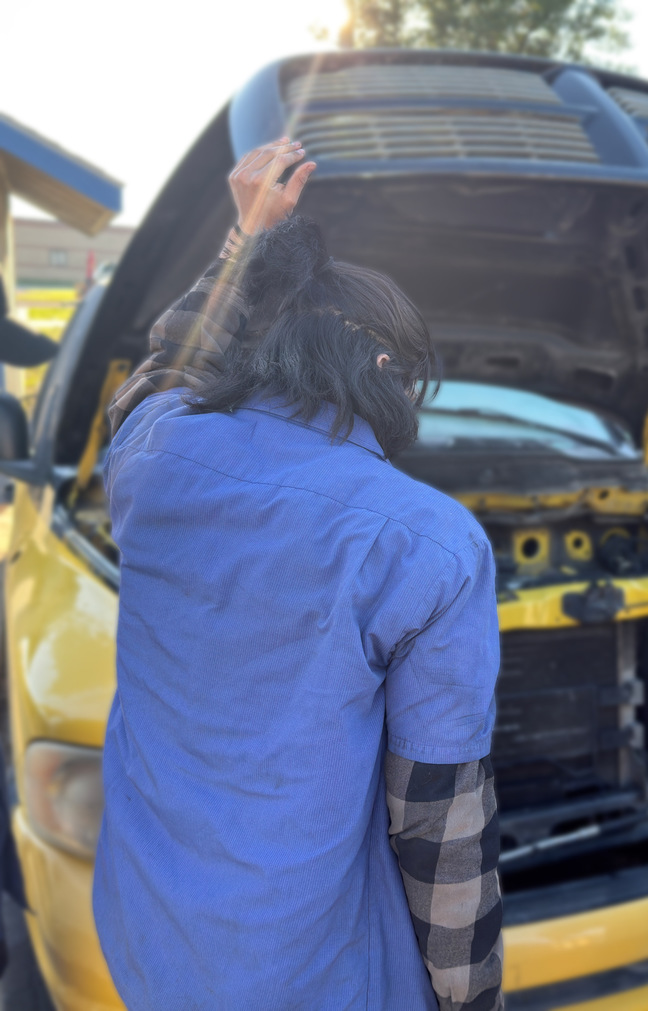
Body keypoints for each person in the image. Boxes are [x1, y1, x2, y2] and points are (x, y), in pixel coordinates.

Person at [92, 139, 504, 1011]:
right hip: (312, 975)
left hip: (149, 935)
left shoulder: (151, 456)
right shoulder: (428, 542)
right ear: (385, 373)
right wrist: (475, 1002)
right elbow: (440, 826)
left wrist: (244, 243)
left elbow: (168, 365)